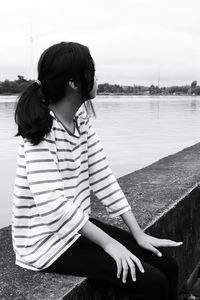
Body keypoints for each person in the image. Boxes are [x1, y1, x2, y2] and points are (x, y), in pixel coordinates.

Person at [12, 41, 183, 300]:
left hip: (73, 228)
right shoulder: (42, 129)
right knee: (151, 282)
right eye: (91, 71)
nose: (97, 78)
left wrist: (137, 233)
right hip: (45, 242)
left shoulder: (80, 121)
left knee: (167, 265)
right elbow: (52, 205)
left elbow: (103, 177)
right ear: (74, 82)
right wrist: (109, 243)